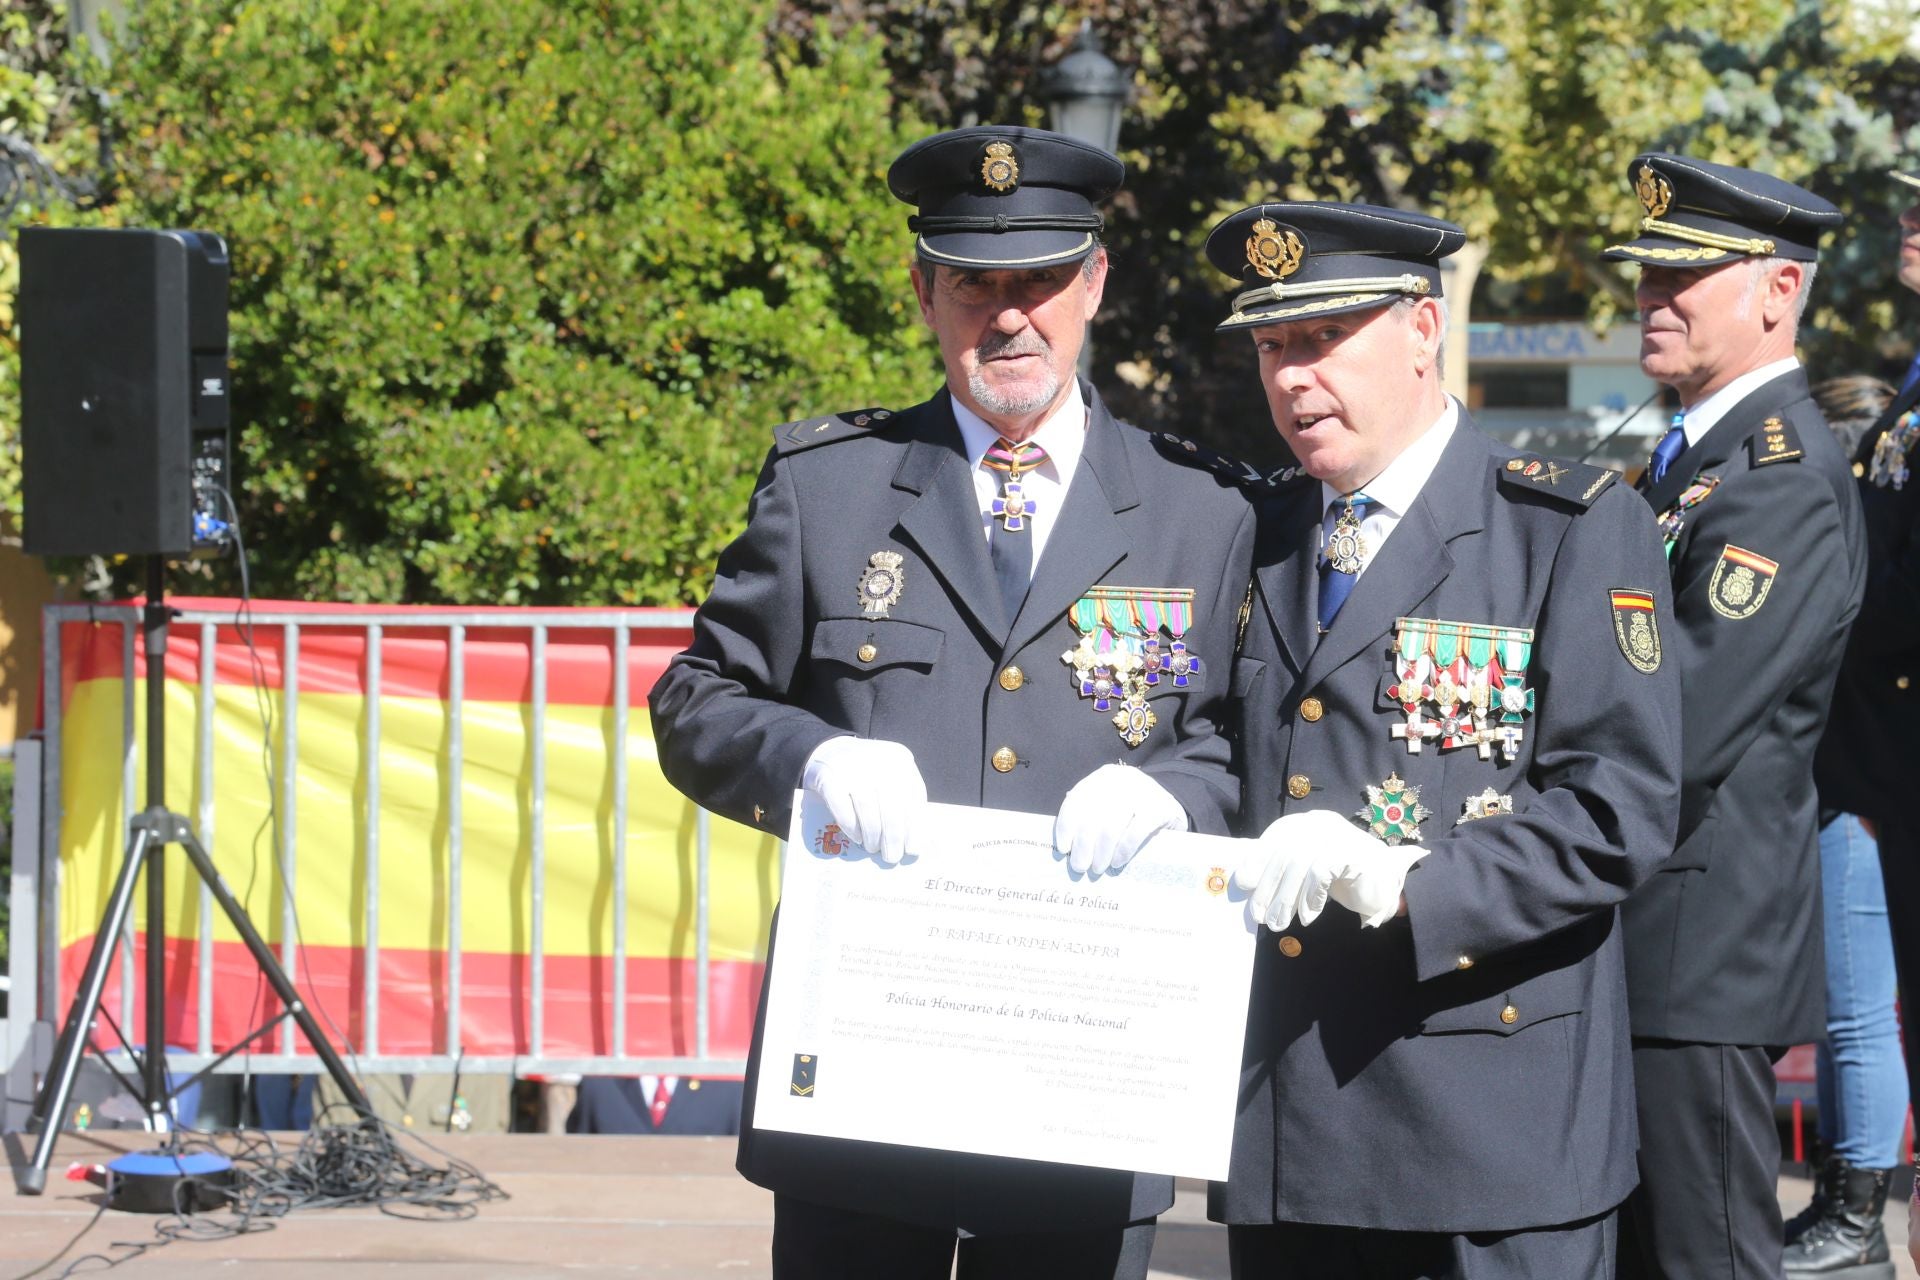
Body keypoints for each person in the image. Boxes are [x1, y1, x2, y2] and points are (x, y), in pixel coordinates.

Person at [647, 124, 1258, 1279]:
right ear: (925, 291)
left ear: (1095, 284)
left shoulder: (1202, 511)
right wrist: (809, 759)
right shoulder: (830, 487)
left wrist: (1177, 794)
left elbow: (1246, 741)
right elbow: (696, 697)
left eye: (1039, 281)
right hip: (872, 1070)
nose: (1009, 314)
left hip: (1090, 1071)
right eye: (976, 282)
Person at [1204, 198, 1682, 1278]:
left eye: (1324, 338)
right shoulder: (1261, 534)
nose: (1290, 376)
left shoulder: (1562, 527)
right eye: (1272, 345)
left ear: (1423, 330)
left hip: (1489, 1127)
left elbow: (1619, 807)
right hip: (1291, 1112)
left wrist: (1415, 882)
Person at [1601, 152, 1866, 1280]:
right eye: (1648, 274)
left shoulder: (1778, 477)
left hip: (1698, 952)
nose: (1653, 298)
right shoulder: (1694, 462)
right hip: (1654, 935)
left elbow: (1688, 714)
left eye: (1685, 277)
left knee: (1708, 1252)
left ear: (1775, 289)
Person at [1809, 167, 1920, 1279]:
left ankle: (1853, 1220)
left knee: (1864, 1012)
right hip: (1877, 747)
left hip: (1893, 750)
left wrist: (1827, 616)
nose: (1910, 222)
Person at [1786, 371, 1905, 1279]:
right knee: (1839, 1012)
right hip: (1848, 765)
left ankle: (1862, 1209)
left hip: (1870, 772)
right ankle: (1839, 1193)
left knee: (1860, 1013)